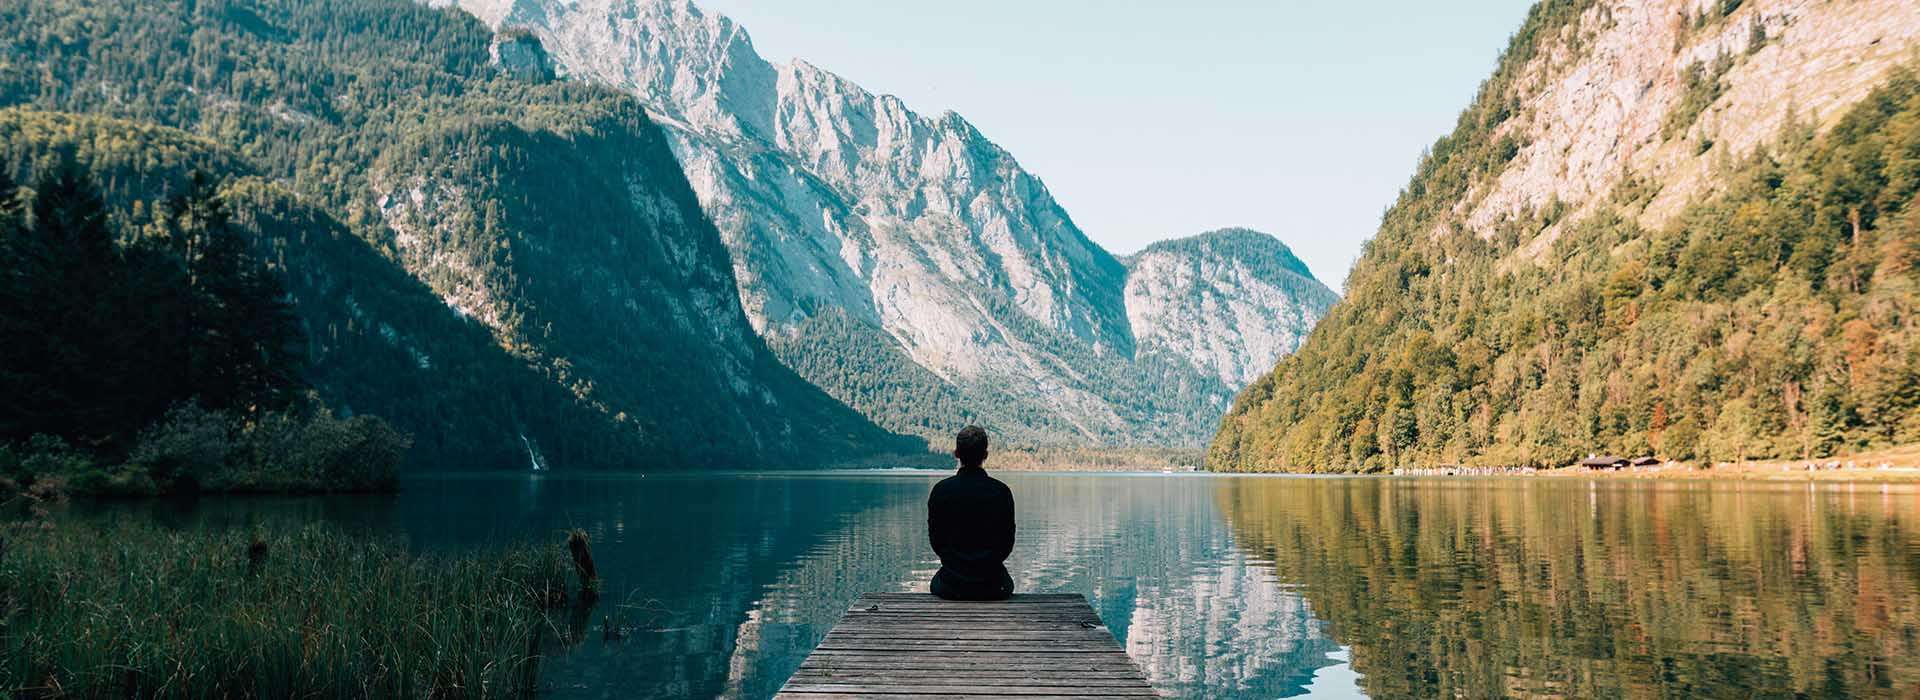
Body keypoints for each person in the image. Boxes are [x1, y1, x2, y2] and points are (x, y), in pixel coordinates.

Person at [927, 425, 1016, 601]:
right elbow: (1007, 543)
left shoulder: (941, 491)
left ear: (956, 454)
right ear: (985, 455)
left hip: (951, 585)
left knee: (937, 582)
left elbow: (936, 541)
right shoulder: (1001, 492)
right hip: (994, 585)